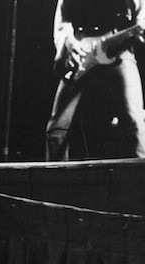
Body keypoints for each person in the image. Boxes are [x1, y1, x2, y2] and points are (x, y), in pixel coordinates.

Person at [45, 0, 145, 160]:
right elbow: (62, 22)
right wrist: (69, 44)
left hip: (118, 52)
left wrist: (138, 31)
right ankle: (53, 179)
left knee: (133, 120)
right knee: (58, 129)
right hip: (80, 54)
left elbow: (141, 20)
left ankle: (138, 178)